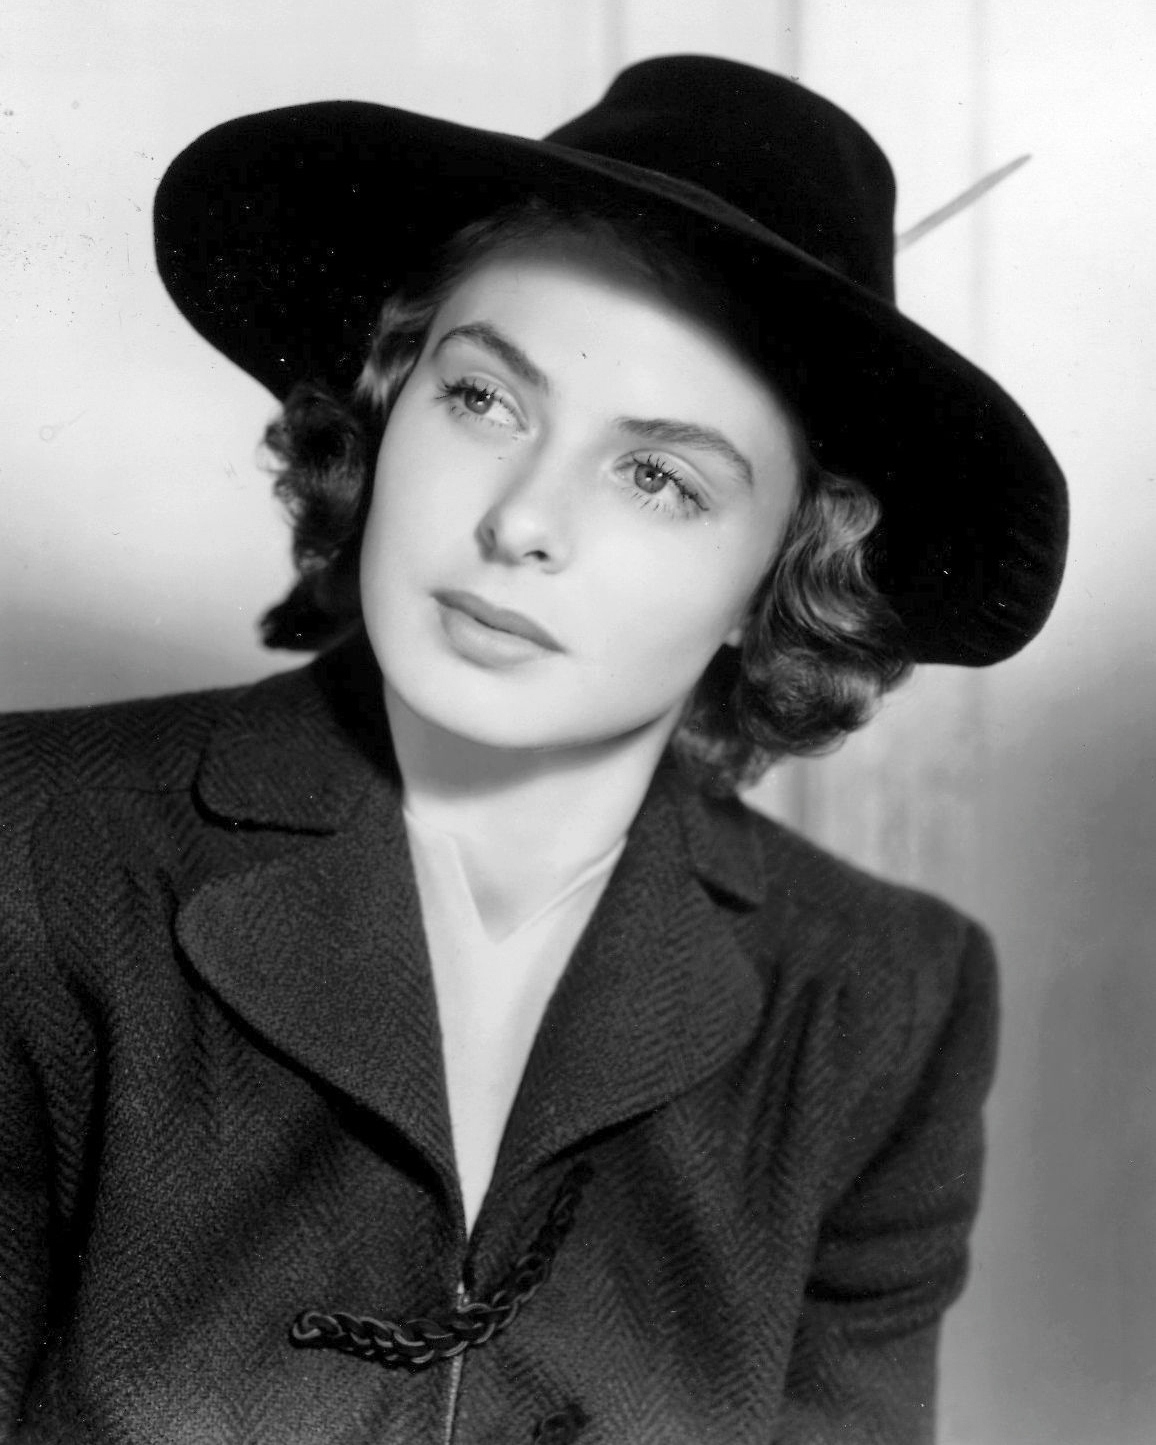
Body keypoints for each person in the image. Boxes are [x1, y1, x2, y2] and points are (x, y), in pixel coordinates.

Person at [0, 55, 1066, 1445]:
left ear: (780, 578)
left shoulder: (880, 1003)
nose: (521, 521)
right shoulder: (34, 850)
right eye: (483, 400)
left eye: (659, 475)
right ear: (387, 406)